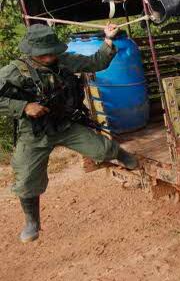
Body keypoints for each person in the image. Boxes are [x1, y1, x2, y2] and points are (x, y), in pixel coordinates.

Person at [0, 23, 139, 243]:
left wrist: (108, 39)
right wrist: (24, 107)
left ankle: (122, 155)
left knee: (102, 149)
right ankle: (32, 222)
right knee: (26, 179)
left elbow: (97, 61)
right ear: (31, 52)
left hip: (65, 125)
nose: (49, 57)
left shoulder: (63, 60)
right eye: (43, 54)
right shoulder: (14, 72)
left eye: (51, 52)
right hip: (35, 133)